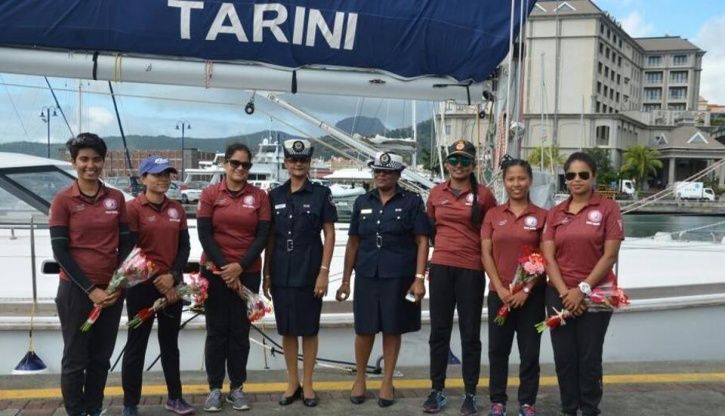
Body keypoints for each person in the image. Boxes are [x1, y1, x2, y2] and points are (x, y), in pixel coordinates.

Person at [336, 152, 430, 408]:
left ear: (398, 174)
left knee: (392, 328)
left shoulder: (411, 202)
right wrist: (345, 280)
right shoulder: (361, 202)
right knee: (364, 329)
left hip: (398, 275)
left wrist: (419, 278)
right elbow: (353, 243)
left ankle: (387, 381)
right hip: (367, 274)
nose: (381, 175)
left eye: (387, 172)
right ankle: (360, 379)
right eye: (377, 171)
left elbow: (422, 240)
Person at [50, 133, 133, 416]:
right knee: (76, 358)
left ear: (103, 161)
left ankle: (94, 409)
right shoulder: (63, 200)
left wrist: (115, 284)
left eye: (96, 159)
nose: (90, 165)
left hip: (110, 292)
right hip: (76, 292)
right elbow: (61, 252)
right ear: (73, 162)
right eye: (84, 159)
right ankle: (76, 412)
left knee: (100, 358)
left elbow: (126, 244)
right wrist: (90, 289)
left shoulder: (116, 198)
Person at [542, 152, 624, 416]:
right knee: (564, 357)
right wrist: (567, 293)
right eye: (571, 175)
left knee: (589, 356)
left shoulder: (608, 208)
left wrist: (582, 290)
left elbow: (609, 255)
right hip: (559, 293)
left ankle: (589, 408)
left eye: (583, 175)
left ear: (593, 177)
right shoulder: (555, 213)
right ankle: (569, 408)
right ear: (565, 180)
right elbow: (548, 257)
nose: (577, 180)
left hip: (598, 293)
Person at [424, 140, 497, 416]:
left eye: (465, 161)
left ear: (473, 165)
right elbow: (431, 230)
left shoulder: (485, 196)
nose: (458, 166)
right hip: (441, 267)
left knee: (470, 335)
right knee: (438, 332)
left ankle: (470, 393)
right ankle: (437, 390)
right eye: (454, 160)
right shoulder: (435, 194)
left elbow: (493, 233)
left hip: (471, 270)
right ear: (447, 164)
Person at [197, 143, 271, 412]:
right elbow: (205, 234)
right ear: (226, 164)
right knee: (216, 332)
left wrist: (239, 266)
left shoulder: (260, 196)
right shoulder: (210, 193)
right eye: (235, 163)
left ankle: (237, 388)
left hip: (247, 273)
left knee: (240, 332)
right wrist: (225, 267)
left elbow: (262, 236)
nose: (240, 169)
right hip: (215, 273)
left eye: (245, 165)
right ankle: (215, 388)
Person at [262, 140, 337, 407]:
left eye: (302, 160)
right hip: (281, 269)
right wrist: (266, 274)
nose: (297, 164)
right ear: (285, 163)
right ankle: (292, 382)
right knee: (288, 329)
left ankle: (308, 384)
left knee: (309, 329)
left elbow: (329, 233)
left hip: (309, 269)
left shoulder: (320, 194)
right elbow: (270, 237)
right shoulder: (275, 195)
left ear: (309, 163)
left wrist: (324, 273)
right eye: (293, 160)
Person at [121, 156, 193, 416]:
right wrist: (157, 280)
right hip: (141, 286)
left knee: (170, 344)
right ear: (143, 179)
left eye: (167, 174)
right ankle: (130, 403)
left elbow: (185, 247)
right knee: (136, 343)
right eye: (156, 174)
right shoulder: (132, 209)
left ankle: (175, 397)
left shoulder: (177, 209)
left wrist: (173, 276)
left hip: (172, 285)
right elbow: (130, 251)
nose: (163, 179)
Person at [481, 157, 547, 416]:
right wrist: (501, 288)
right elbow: (486, 254)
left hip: (533, 296)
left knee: (530, 352)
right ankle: (498, 401)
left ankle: (527, 402)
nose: (516, 184)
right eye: (511, 179)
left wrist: (526, 290)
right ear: (504, 182)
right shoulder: (493, 215)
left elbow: (546, 256)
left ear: (529, 181)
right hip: (500, 294)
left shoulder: (543, 216)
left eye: (521, 178)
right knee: (498, 351)